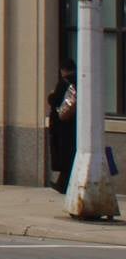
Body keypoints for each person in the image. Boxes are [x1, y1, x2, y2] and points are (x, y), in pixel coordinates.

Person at [46, 60, 78, 194]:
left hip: (62, 127)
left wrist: (52, 95)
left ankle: (63, 184)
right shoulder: (81, 81)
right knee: (70, 156)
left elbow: (54, 100)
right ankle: (63, 183)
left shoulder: (64, 83)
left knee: (65, 157)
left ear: (63, 70)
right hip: (74, 126)